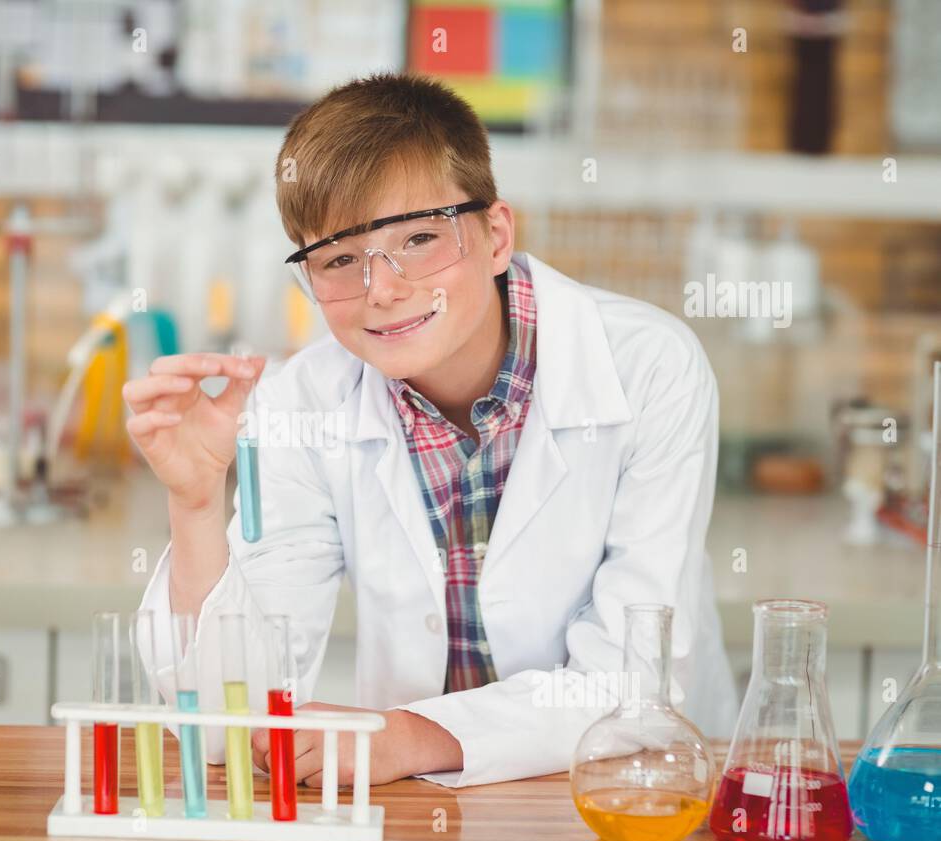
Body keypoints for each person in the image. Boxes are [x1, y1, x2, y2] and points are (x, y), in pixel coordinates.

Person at [123, 73, 738, 788]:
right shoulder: (304, 401)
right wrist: (197, 503)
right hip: (418, 810)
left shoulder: (648, 366)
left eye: (419, 238)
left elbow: (635, 678)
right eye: (340, 260)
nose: (382, 288)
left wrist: (413, 735)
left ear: (497, 234)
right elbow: (230, 723)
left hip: (633, 794)